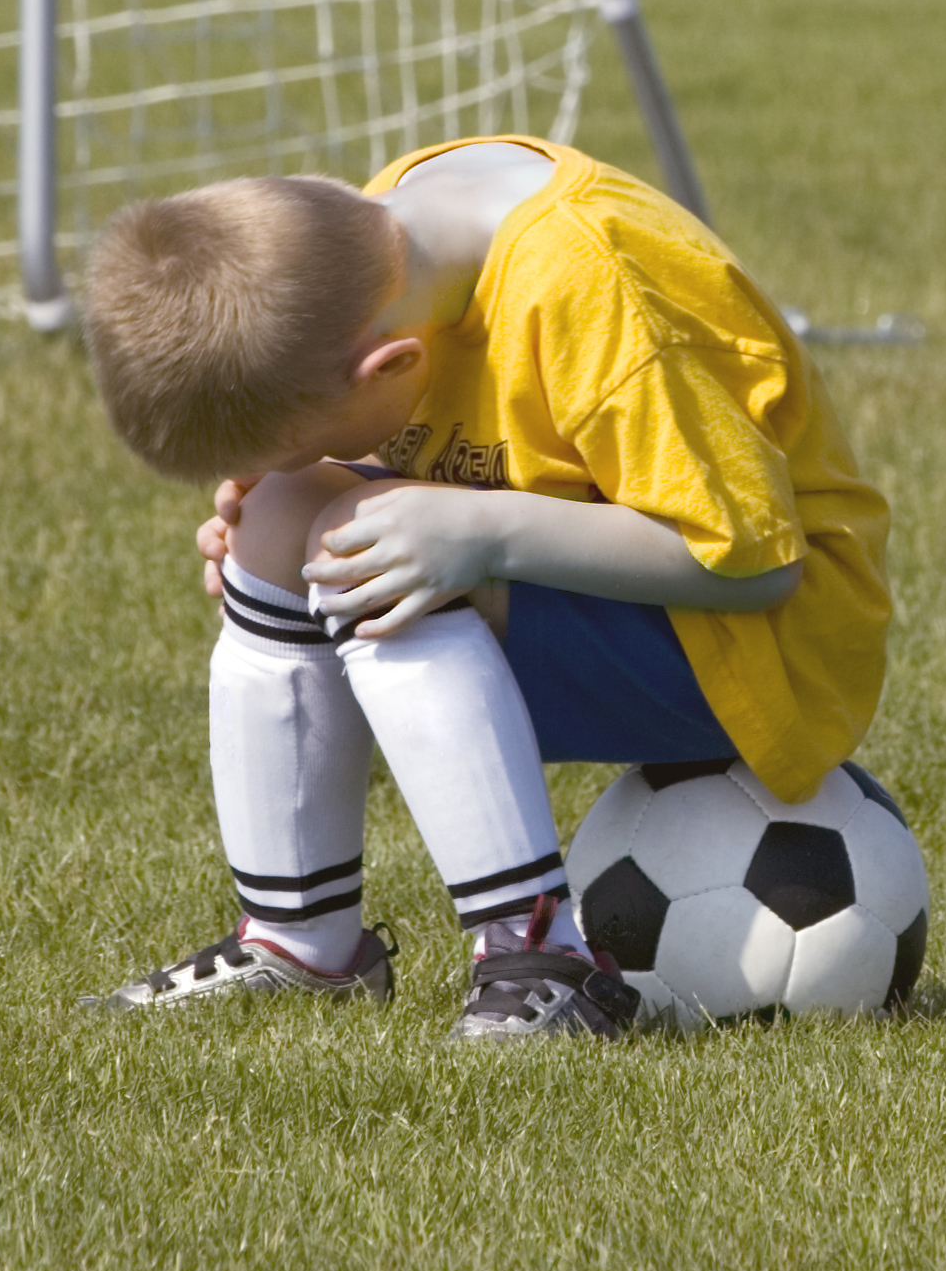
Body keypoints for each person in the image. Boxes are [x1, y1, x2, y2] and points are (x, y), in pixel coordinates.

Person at [75, 136, 891, 1041]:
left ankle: (542, 954)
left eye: (307, 441)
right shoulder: (389, 238)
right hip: (613, 596)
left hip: (761, 646)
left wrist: (479, 531)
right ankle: (302, 945)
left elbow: (754, 563)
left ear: (387, 369)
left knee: (377, 554)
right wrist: (278, 518)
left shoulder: (589, 282)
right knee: (284, 520)